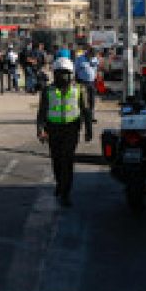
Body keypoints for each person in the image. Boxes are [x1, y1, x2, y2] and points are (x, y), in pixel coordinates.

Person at [37, 56, 93, 206]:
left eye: (66, 73)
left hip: (71, 130)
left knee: (67, 161)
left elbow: (86, 110)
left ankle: (65, 192)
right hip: (53, 130)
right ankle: (60, 184)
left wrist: (89, 130)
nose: (63, 77)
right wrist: (40, 130)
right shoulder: (48, 90)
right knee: (56, 160)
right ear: (54, 74)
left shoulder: (79, 89)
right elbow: (42, 112)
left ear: (71, 74)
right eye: (60, 73)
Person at [74, 47, 98, 120]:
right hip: (82, 82)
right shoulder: (80, 59)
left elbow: (96, 68)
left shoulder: (95, 59)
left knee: (92, 100)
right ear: (88, 53)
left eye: (94, 56)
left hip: (92, 82)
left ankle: (91, 116)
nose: (92, 57)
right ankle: (82, 116)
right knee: (83, 100)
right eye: (92, 55)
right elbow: (76, 70)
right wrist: (76, 81)